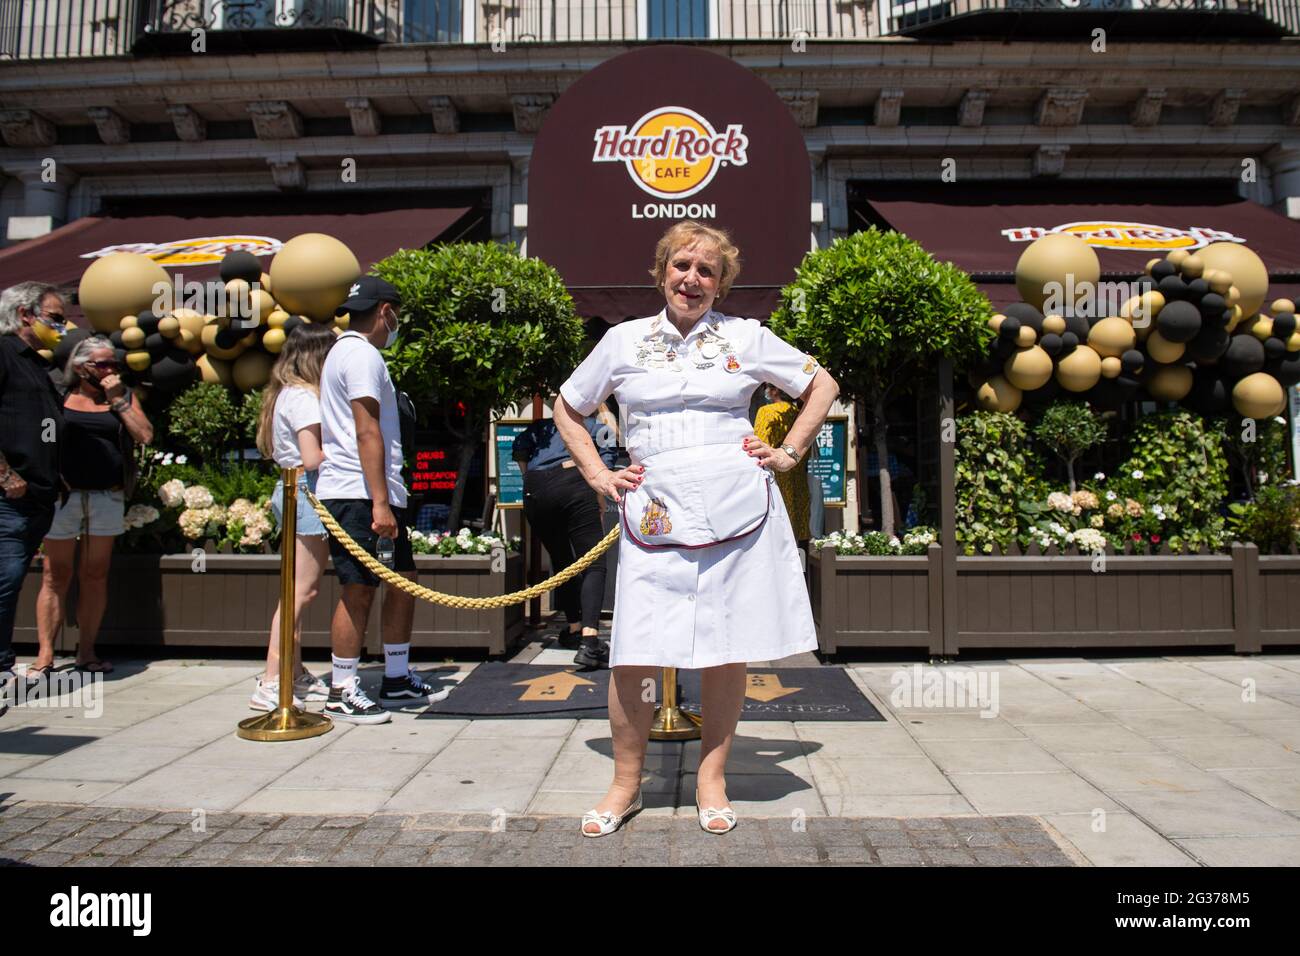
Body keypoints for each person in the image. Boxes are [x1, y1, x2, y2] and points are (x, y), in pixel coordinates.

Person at [554, 221, 839, 835]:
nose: (692, 279)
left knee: (722, 646)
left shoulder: (747, 336)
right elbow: (567, 405)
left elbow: (822, 385)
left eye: (707, 271)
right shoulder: (623, 342)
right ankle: (626, 785)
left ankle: (713, 780)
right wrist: (598, 473)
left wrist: (787, 451)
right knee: (633, 649)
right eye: (682, 266)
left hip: (735, 507)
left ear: (722, 284)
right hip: (652, 506)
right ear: (661, 274)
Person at [316, 276, 449, 724]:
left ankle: (394, 675)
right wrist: (378, 503)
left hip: (374, 488)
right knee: (358, 588)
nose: (397, 321)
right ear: (385, 312)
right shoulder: (360, 354)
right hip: (358, 491)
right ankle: (343, 686)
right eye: (396, 313)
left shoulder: (348, 351)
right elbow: (366, 429)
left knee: (402, 577)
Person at [31, 336, 152, 678]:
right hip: (64, 495)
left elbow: (144, 435)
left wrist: (118, 402)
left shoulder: (122, 396)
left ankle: (86, 651)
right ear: (80, 366)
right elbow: (43, 440)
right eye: (102, 364)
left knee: (96, 574)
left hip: (106, 495)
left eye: (113, 363)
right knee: (56, 574)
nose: (110, 370)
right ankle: (45, 654)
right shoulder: (59, 397)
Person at [250, 323, 337, 711]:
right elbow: (312, 456)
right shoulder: (305, 398)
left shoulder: (285, 394)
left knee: (296, 588)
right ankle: (272, 679)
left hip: (290, 490)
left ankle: (294, 672)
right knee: (301, 592)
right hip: (306, 493)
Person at [0, 282, 67, 715]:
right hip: (10, 497)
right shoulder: (4, 354)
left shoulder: (36, 365)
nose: (63, 327)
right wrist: (6, 475)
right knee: (3, 581)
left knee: (10, 581)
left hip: (38, 497)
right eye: (55, 318)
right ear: (26, 315)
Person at [512, 400, 618, 669]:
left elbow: (519, 449)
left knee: (563, 563)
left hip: (535, 489)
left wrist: (532, 479)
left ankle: (573, 627)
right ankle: (590, 640)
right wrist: (600, 499)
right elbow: (604, 465)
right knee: (593, 563)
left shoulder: (543, 426)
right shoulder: (597, 426)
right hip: (574, 481)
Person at [754, 384, 812, 549]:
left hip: (775, 478)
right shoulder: (798, 414)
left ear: (774, 391)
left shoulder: (766, 412)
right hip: (799, 480)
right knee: (798, 536)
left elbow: (760, 444)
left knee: (776, 534)